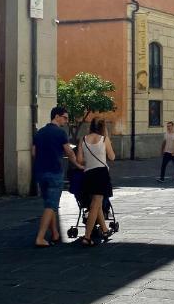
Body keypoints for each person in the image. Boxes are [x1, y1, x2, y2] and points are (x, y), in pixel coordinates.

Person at [33, 106, 82, 247]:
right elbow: (70, 152)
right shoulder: (60, 133)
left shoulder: (39, 133)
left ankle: (55, 233)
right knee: (51, 205)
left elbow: (33, 153)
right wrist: (78, 165)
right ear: (56, 116)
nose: (66, 121)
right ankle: (40, 237)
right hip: (54, 172)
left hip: (40, 172)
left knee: (50, 203)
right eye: (65, 118)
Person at [76, 118, 115, 246]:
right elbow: (112, 157)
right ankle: (87, 237)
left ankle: (104, 230)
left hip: (88, 174)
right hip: (101, 174)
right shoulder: (104, 139)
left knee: (95, 204)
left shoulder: (83, 140)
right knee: (95, 206)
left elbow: (79, 160)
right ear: (102, 127)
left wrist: (88, 159)